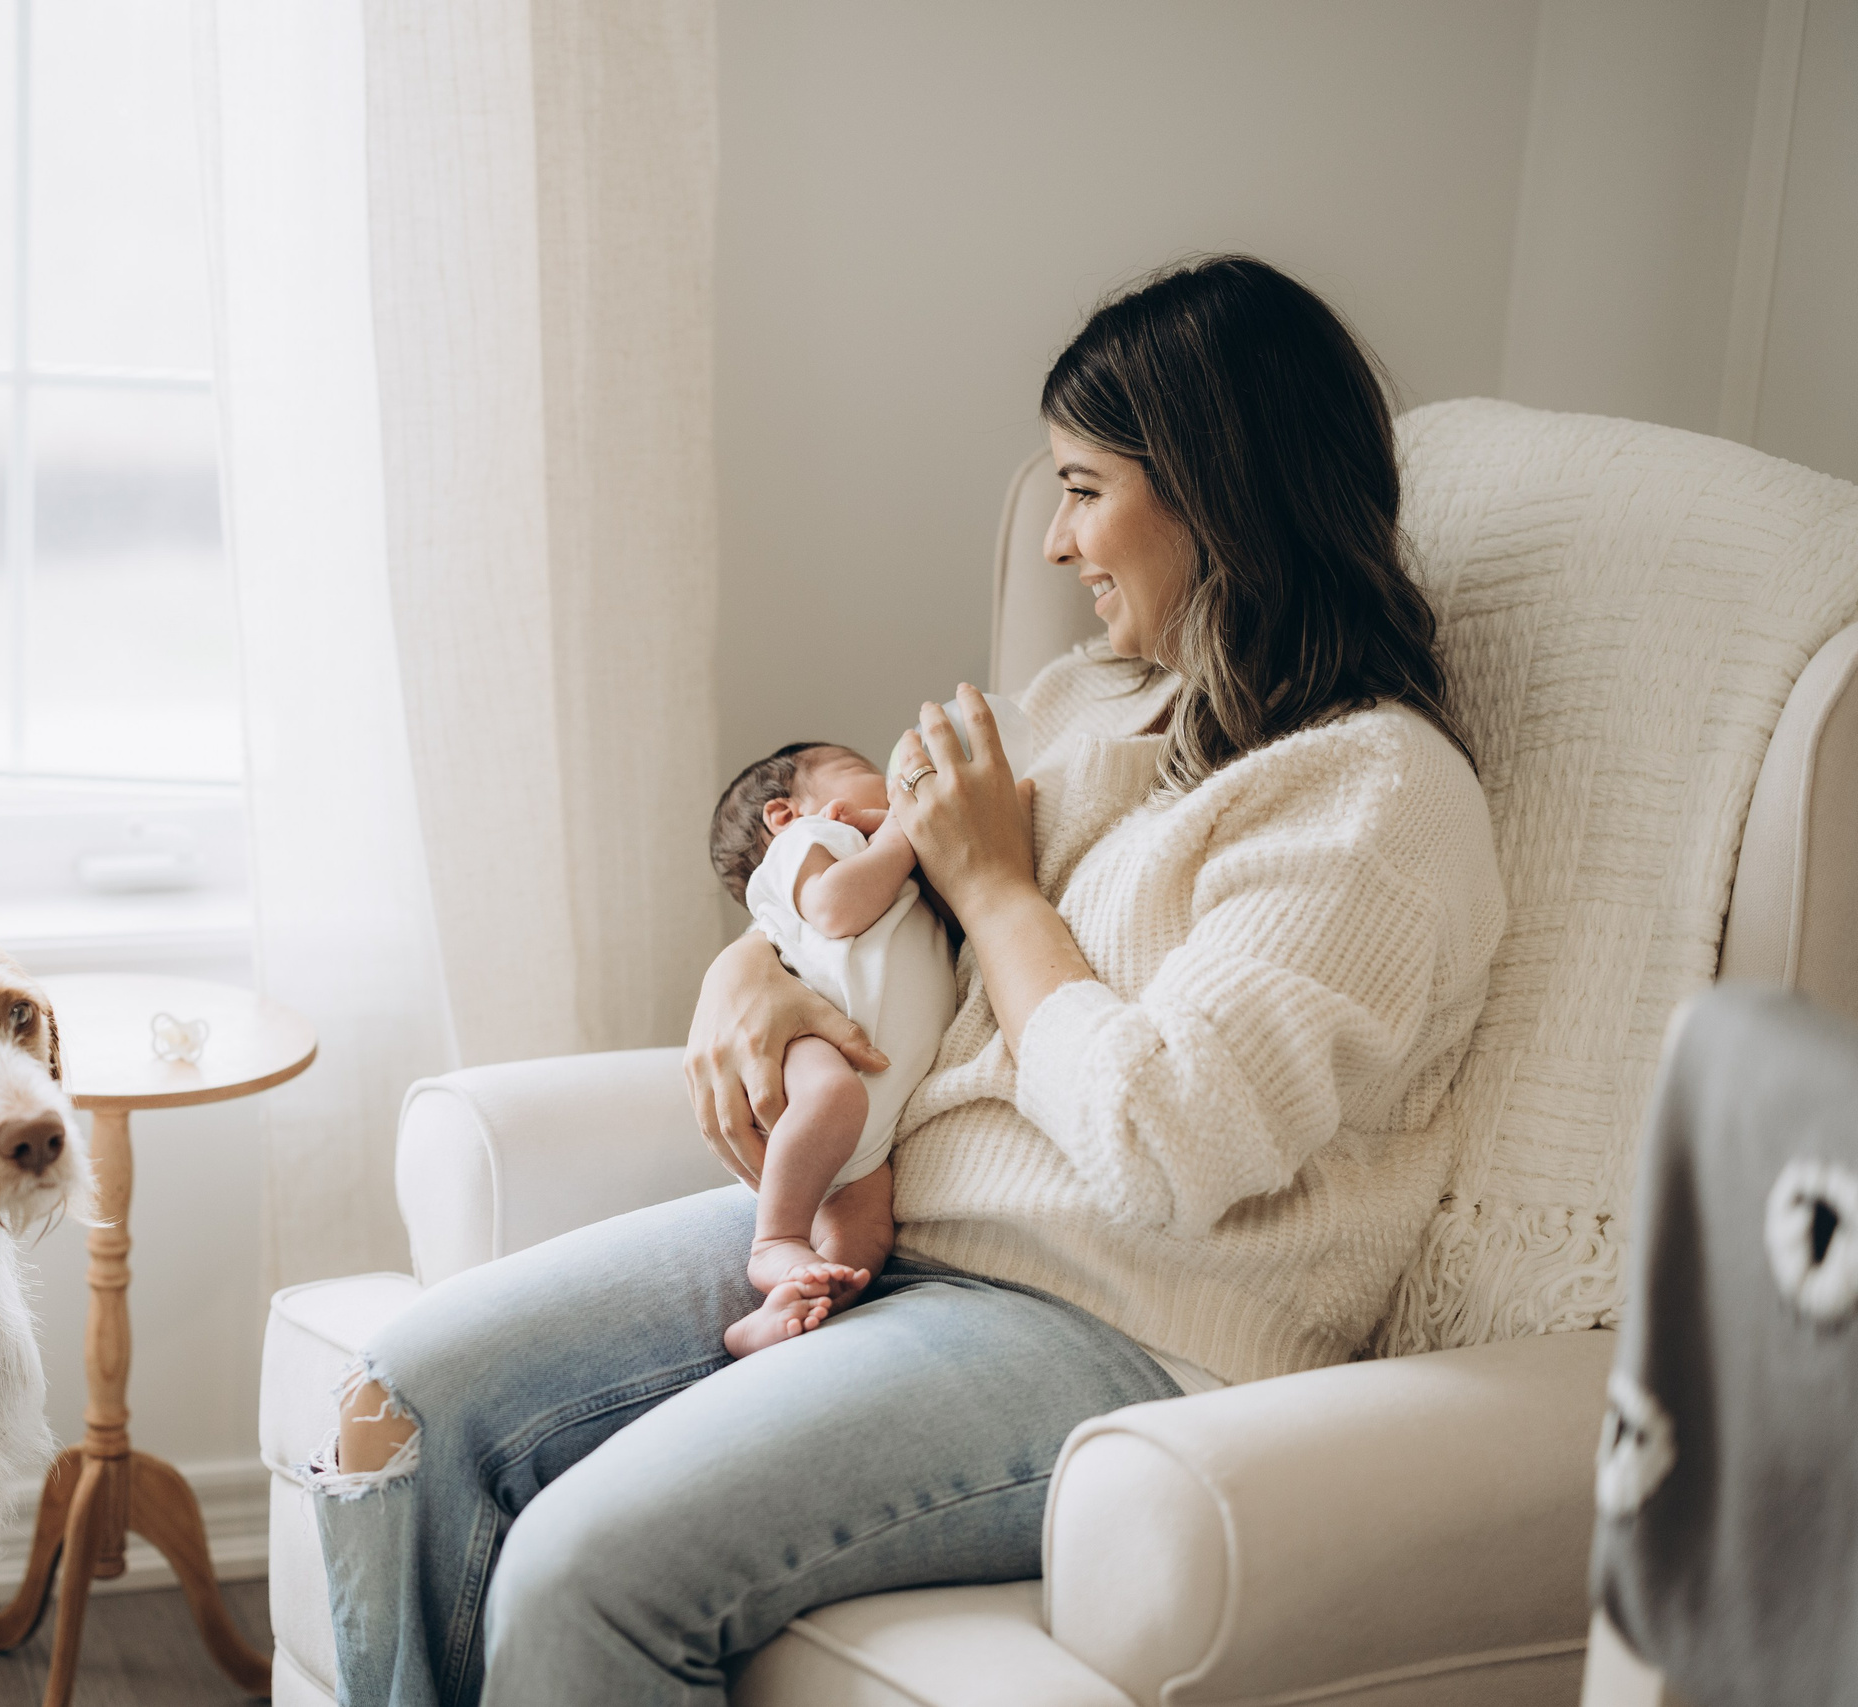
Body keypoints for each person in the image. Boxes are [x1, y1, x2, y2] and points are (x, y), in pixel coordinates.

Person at [307, 255, 1509, 1707]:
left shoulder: (1373, 794)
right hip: (885, 1234)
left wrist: (999, 890)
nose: (1057, 543)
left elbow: (1170, 1141)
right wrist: (752, 968)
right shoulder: (1084, 700)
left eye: (1084, 488)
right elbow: (862, 898)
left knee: (581, 1571)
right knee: (393, 1407)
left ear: (1214, 492)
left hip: (1119, 1326)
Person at [703, 740, 958, 1355]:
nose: (885, 781)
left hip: (864, 1134)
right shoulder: (809, 843)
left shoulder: (891, 870)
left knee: (866, 1237)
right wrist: (899, 828)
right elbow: (837, 908)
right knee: (834, 1096)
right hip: (809, 1045)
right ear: (783, 813)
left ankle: (790, 1304)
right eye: (863, 772)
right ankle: (774, 1241)